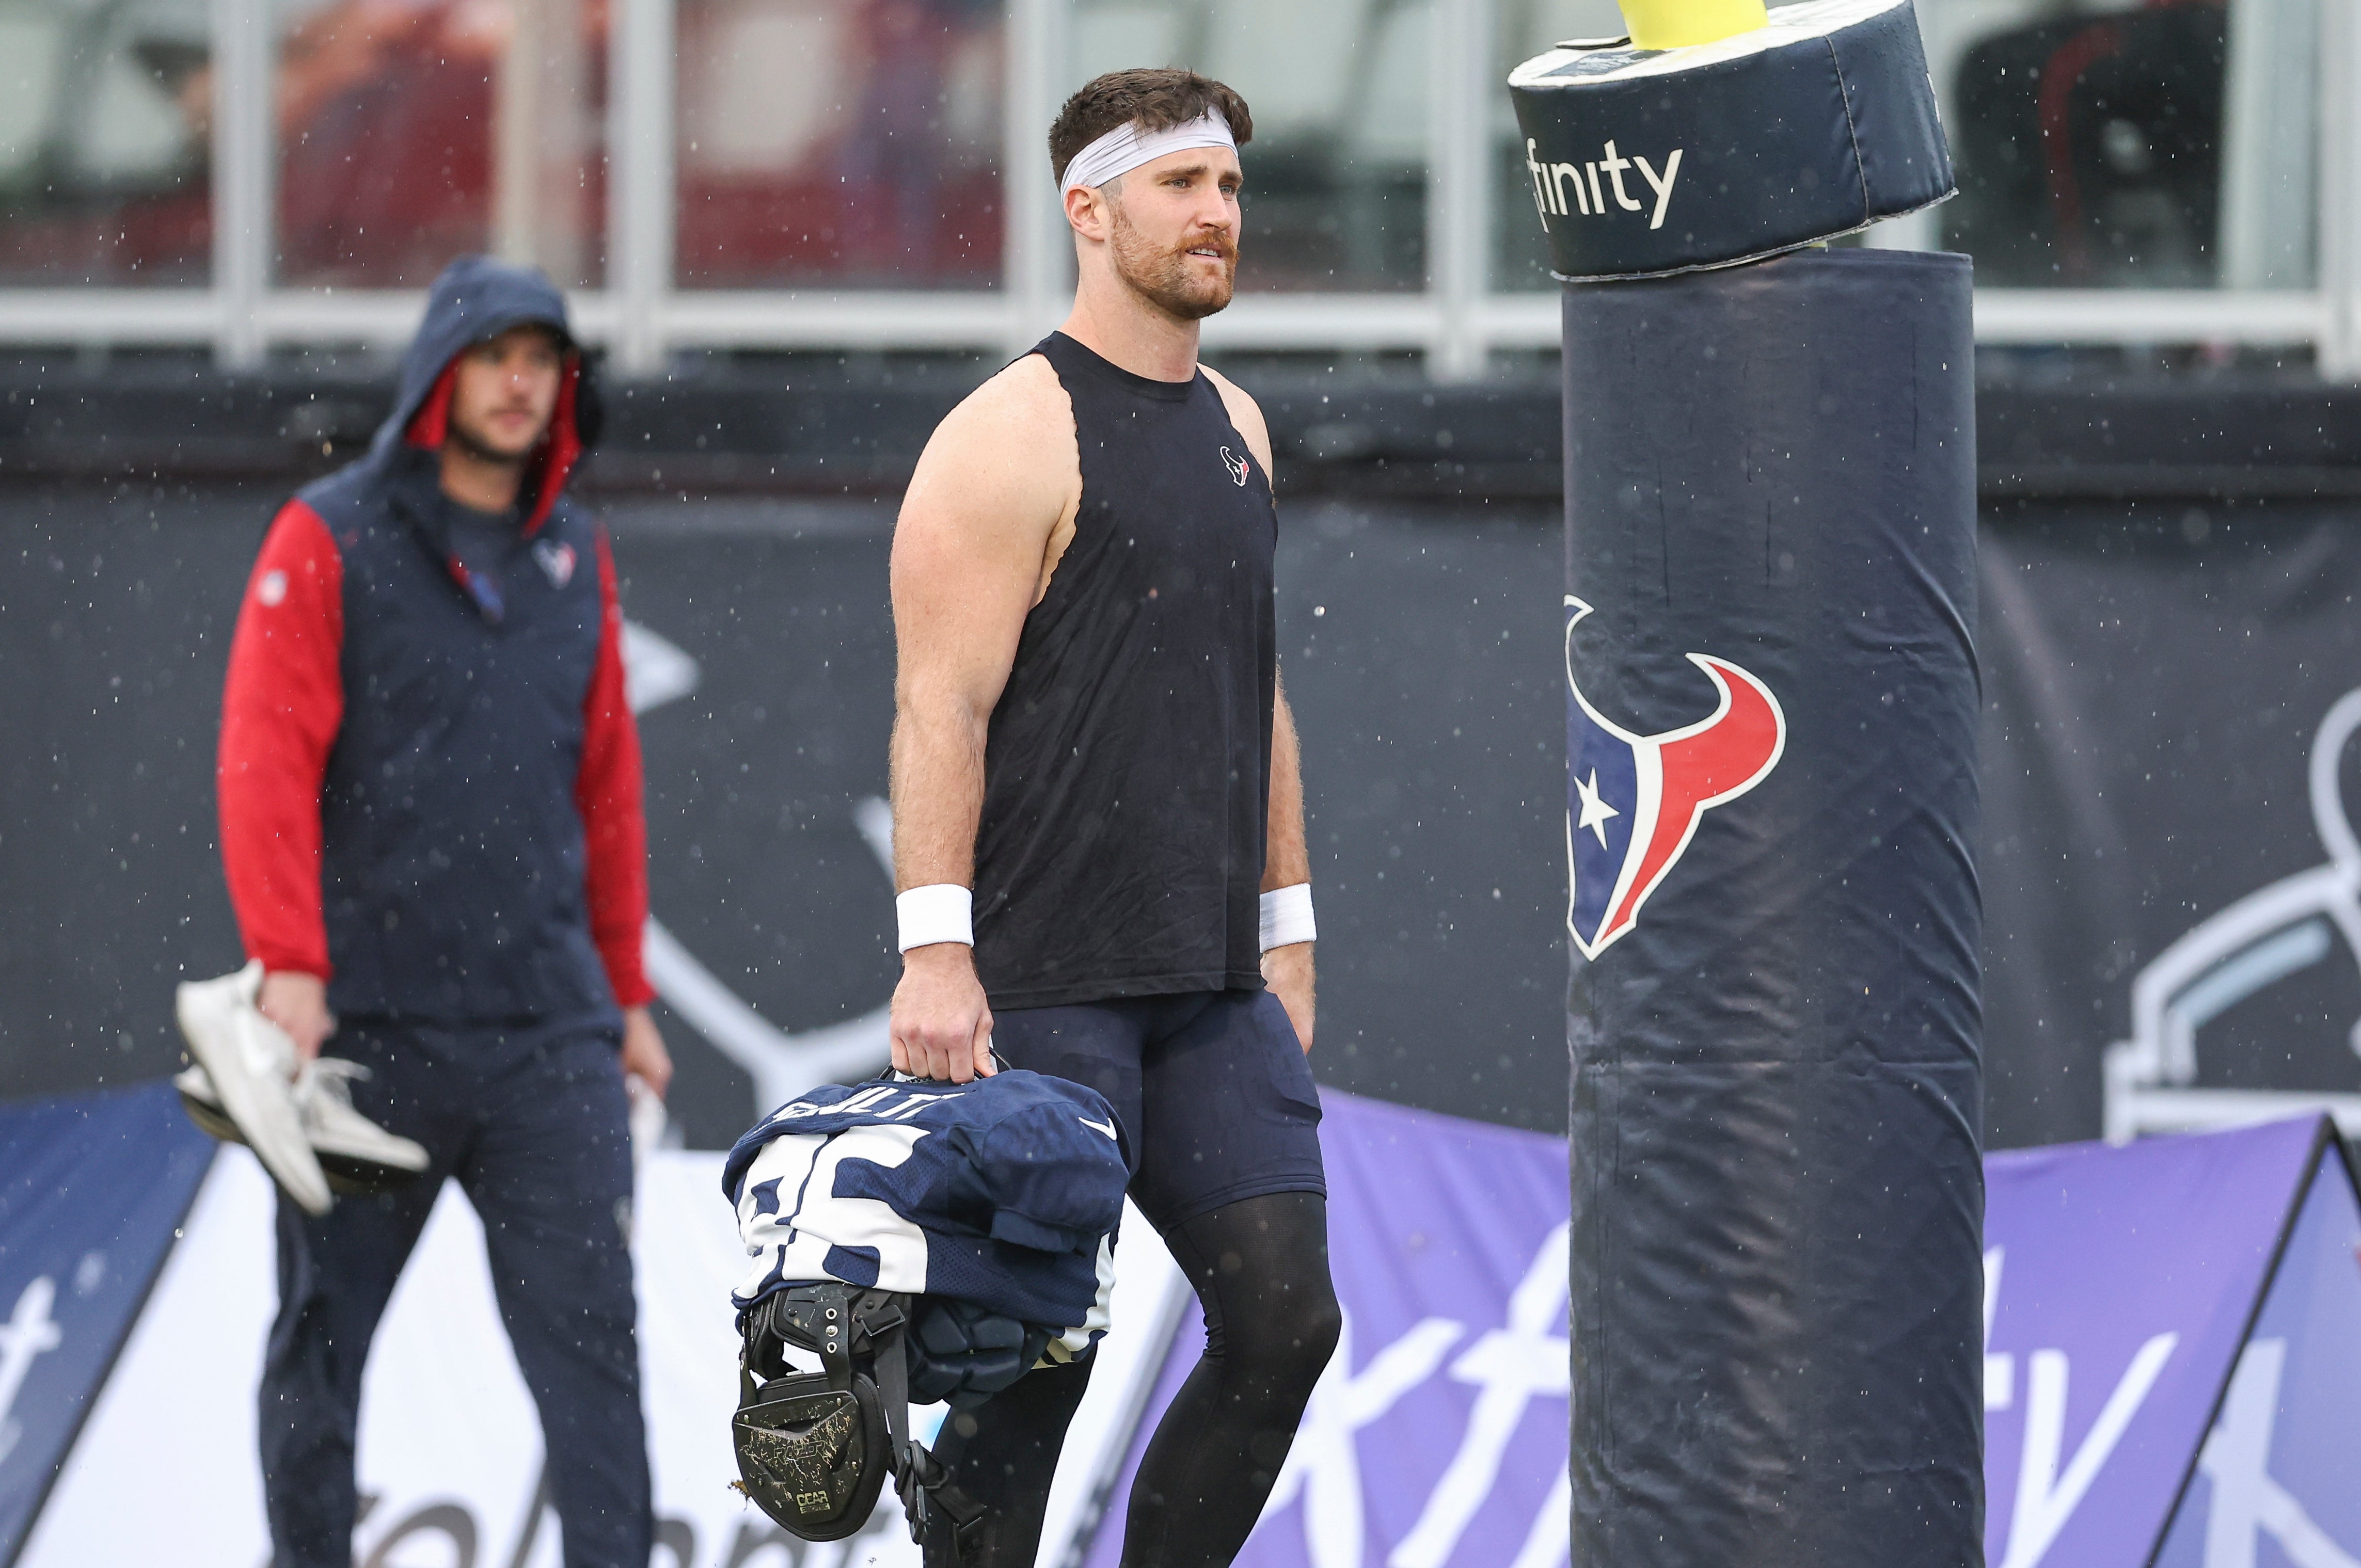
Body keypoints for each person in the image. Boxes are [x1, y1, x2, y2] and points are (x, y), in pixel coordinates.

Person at [885, 68, 1341, 1567]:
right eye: (1180, 187)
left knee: (1283, 1319)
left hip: (1208, 987)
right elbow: (936, 708)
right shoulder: (1004, 434)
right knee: (1032, 1360)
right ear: (1089, 211)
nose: (1218, 214)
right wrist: (934, 954)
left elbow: (1255, 693)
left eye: (1226, 187)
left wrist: (1287, 929)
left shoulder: (1241, 429)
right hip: (1047, 984)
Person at [214, 254, 668, 1568]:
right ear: (437, 373)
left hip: (549, 1044)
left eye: (544, 360)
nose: (521, 382)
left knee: (599, 1373)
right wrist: (290, 965)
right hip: (361, 1037)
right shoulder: (325, 532)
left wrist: (626, 996)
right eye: (494, 355)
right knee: (319, 1353)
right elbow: (264, 762)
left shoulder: (580, 552)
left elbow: (608, 790)